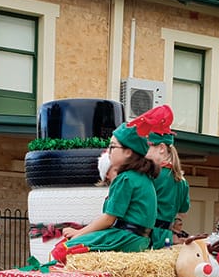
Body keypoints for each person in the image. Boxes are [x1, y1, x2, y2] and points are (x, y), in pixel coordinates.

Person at [53, 119, 159, 262]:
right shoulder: (144, 178)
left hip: (126, 238)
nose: (109, 151)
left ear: (128, 152)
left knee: (62, 250)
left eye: (112, 146)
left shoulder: (125, 179)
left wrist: (79, 233)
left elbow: (108, 219)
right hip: (141, 240)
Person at [143, 106, 191, 249]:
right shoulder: (182, 181)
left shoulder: (152, 175)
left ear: (162, 148)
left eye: (148, 146)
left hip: (147, 237)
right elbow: (183, 212)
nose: (144, 152)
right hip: (166, 238)